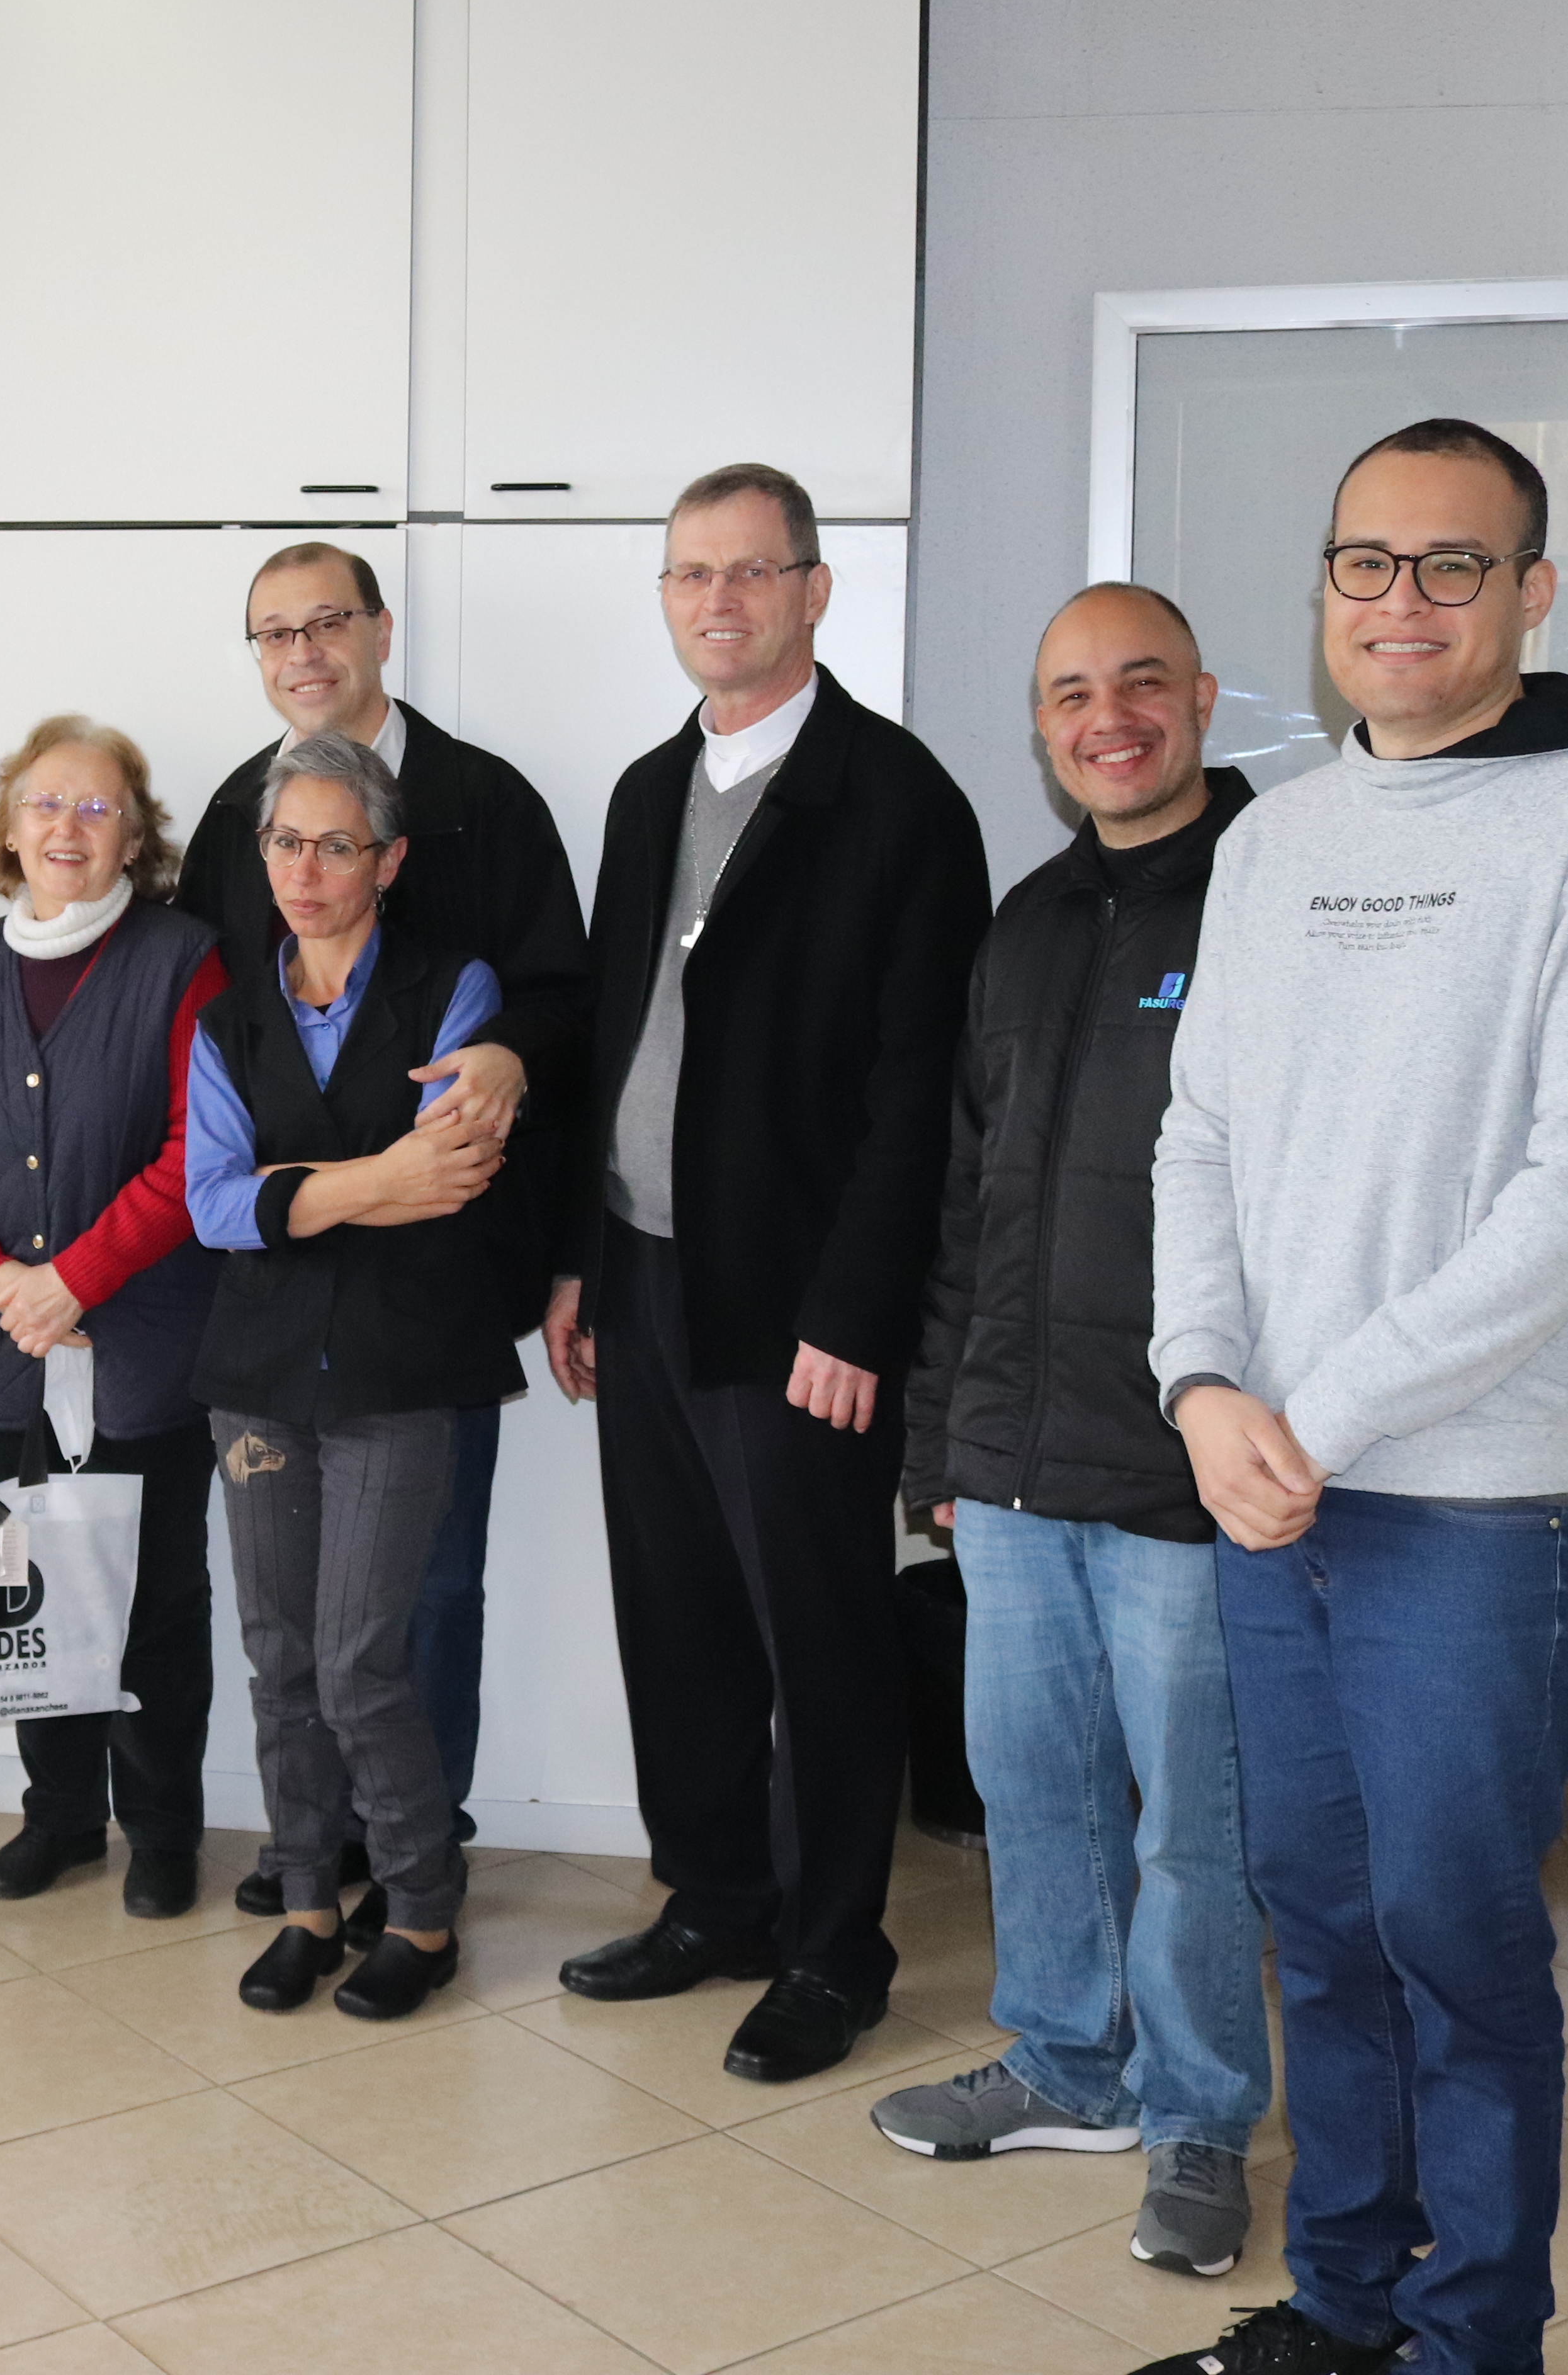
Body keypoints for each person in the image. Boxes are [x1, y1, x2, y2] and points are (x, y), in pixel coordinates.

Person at [1129, 421, 1568, 2375]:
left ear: (1531, 595)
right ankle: (1344, 2307)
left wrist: (1327, 1407)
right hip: (1266, 1482)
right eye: (1366, 564)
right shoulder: (1278, 836)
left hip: (1472, 1502)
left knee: (1461, 1951)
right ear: (1324, 593)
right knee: (1321, 1923)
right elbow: (1196, 1132)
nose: (1402, 602)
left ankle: (1475, 2344)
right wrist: (1207, 1383)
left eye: (1452, 567)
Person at [544, 463, 988, 2083]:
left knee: (820, 1632)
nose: (718, 601)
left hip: (800, 1311)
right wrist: (582, 1255)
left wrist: (856, 1312)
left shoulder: (896, 801)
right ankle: (715, 1896)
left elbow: (919, 1091)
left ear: (814, 591)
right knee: (677, 1615)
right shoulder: (646, 793)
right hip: (649, 1277)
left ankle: (832, 1946)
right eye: (689, 576)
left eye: (751, 572)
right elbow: (611, 1044)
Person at [874, 584, 1267, 2283]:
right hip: (1016, 1459)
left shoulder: (1276, 896)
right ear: (1042, 734)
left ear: (1200, 698)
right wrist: (942, 1449)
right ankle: (1065, 2066)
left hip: (1190, 1466)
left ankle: (1195, 2122)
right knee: (1033, 1790)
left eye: (1138, 685)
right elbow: (966, 1206)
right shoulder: (1025, 924)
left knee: (1193, 1824)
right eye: (1068, 697)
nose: (1106, 719)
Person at [177, 542, 588, 1929]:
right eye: (272, 632)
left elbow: (555, 1004)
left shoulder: (487, 802)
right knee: (296, 1628)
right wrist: (347, 1179)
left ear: (381, 630)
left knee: (420, 1597)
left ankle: (422, 1847)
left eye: (326, 623)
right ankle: (320, 1849)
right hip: (285, 1305)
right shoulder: (244, 806)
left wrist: (509, 1089)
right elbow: (224, 1057)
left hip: (436, 1285)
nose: (303, 652)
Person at [186, 733, 517, 2022]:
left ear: (387, 859)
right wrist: (369, 1182)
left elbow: (452, 1176)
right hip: (258, 1371)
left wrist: (302, 1194)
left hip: (399, 1364)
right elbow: (214, 1204)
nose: (306, 869)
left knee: (362, 1657)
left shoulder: (455, 989)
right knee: (278, 1655)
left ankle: (423, 1910)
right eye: (285, 842)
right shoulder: (228, 1008)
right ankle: (311, 1900)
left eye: (335, 844)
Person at [0, 716, 230, 1918]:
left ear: (137, 837)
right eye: (45, 806)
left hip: (142, 1345)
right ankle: (58, 1816)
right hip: (1, 1351)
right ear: (6, 828)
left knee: (153, 1597)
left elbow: (197, 1153)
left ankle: (161, 1831)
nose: (67, 829)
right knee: (25, 1587)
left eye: (97, 810)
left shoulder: (186, 958)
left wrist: (77, 1278)